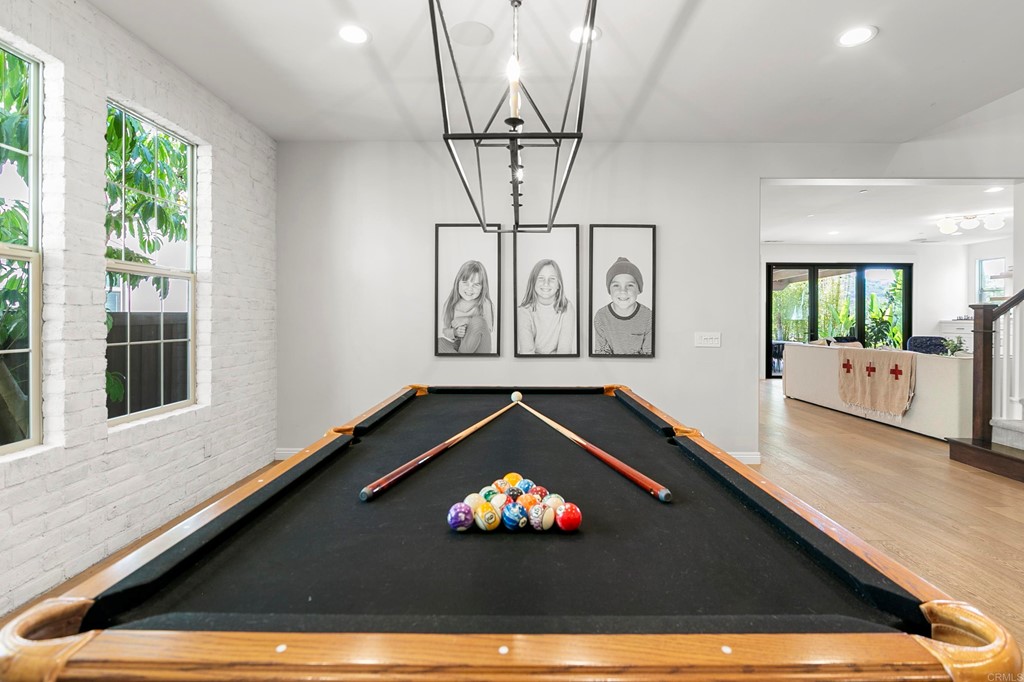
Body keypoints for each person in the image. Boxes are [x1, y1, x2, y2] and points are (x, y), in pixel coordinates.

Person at [592, 257, 652, 355]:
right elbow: (601, 354)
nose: (623, 291)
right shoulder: (601, 316)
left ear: (639, 289)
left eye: (630, 285)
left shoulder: (648, 316)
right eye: (616, 285)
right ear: (609, 290)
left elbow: (649, 355)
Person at [517, 258, 575, 354]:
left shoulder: (567, 308)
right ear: (533, 282)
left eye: (552, 278)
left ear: (559, 284)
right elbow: (527, 352)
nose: (546, 283)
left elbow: (564, 352)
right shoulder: (524, 311)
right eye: (541, 278)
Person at [438, 260, 494, 354]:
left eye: (476, 285)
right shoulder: (451, 303)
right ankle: (462, 358)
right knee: (439, 342)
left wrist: (466, 320)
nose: (469, 288)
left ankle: (462, 357)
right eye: (465, 282)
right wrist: (455, 332)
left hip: (480, 348)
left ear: (482, 288)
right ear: (458, 283)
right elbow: (445, 330)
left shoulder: (485, 303)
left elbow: (487, 329)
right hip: (460, 345)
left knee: (478, 321)